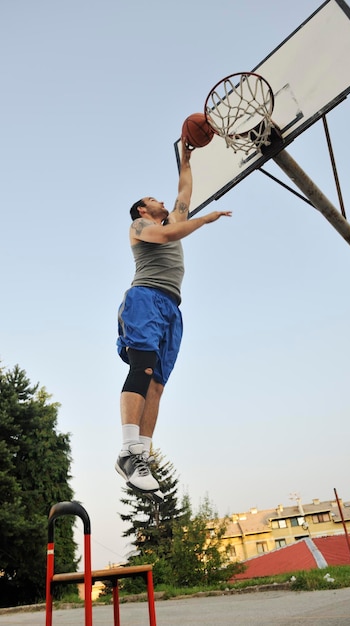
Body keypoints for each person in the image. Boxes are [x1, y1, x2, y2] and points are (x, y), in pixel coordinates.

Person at [115, 140, 232, 501]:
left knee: (159, 385)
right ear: (142, 208)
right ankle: (128, 451)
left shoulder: (175, 217)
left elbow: (184, 191)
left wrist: (186, 159)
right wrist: (206, 219)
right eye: (154, 199)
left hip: (171, 308)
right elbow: (167, 234)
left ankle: (143, 455)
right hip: (145, 298)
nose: (163, 202)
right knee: (143, 367)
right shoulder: (139, 225)